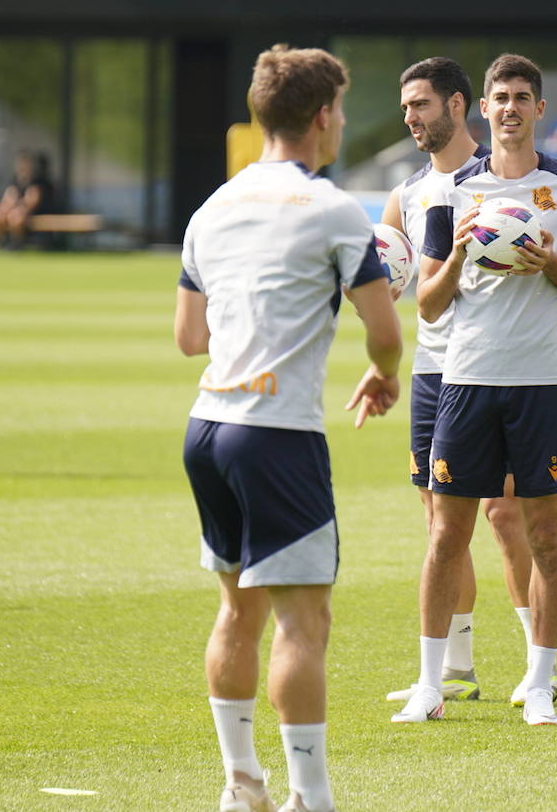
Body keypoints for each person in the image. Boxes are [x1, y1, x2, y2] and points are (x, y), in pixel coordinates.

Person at [175, 44, 402, 812]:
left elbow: (188, 337)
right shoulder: (335, 208)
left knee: (236, 611)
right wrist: (383, 373)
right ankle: (313, 798)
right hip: (276, 433)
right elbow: (384, 328)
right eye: (339, 110)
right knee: (304, 621)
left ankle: (242, 786)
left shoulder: (214, 206)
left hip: (207, 424)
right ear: (322, 116)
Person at [392, 53, 557, 726]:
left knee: (547, 536)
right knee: (446, 535)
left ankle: (540, 682)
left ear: (540, 109)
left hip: (542, 382)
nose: (512, 107)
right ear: (483, 110)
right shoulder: (452, 193)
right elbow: (427, 306)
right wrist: (460, 254)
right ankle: (433, 684)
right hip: (465, 379)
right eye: (501, 97)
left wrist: (551, 264)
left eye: (524, 96)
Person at [379, 57, 550, 709]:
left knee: (507, 516)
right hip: (432, 374)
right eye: (404, 109)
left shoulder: (508, 181)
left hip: (497, 370)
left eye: (420, 105)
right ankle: (458, 666)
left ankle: (541, 665)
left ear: (458, 106)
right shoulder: (408, 194)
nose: (411, 119)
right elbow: (393, 285)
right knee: (439, 524)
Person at [0, 149, 53, 249]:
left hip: (34, 214)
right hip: (16, 211)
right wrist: (0, 211)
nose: (22, 166)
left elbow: (30, 204)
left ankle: (17, 244)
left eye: (25, 163)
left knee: (16, 215)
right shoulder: (14, 181)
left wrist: (13, 208)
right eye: (20, 163)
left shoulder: (37, 181)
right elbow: (8, 200)